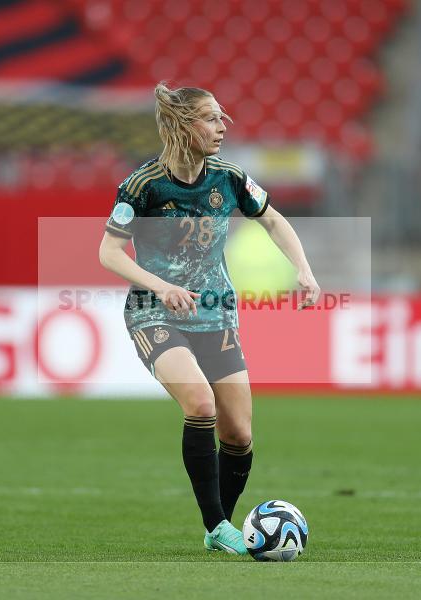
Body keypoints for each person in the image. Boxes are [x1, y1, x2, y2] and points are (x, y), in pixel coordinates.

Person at [98, 83, 319, 555]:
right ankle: (218, 525)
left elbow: (274, 220)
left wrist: (304, 269)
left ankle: (220, 526)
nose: (222, 128)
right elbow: (108, 252)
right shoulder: (143, 185)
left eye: (222, 118)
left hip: (215, 316)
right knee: (200, 404)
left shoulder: (229, 178)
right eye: (212, 119)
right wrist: (161, 286)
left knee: (238, 434)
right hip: (153, 311)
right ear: (183, 126)